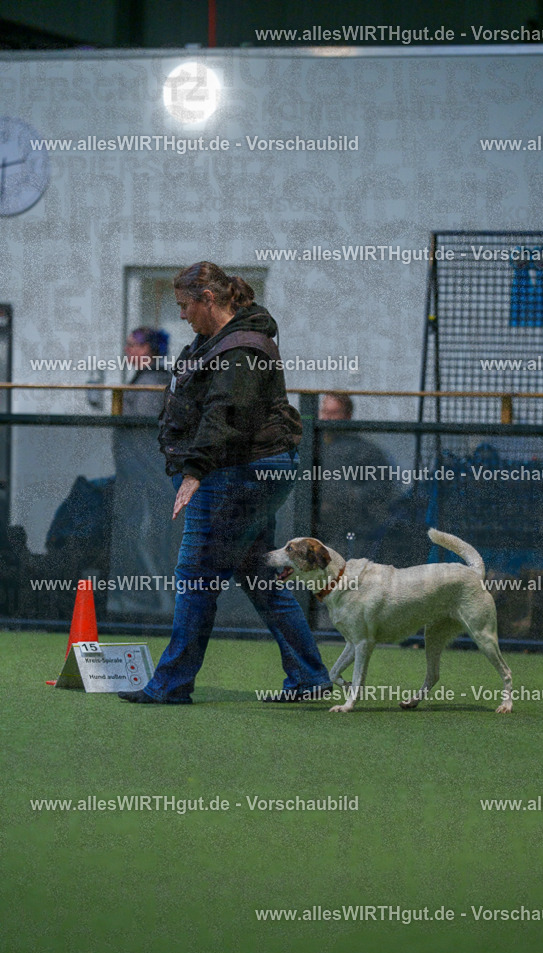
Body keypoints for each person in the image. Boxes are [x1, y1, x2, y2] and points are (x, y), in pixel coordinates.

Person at [119, 262, 330, 704]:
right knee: (258, 573)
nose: (181, 315)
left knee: (196, 574)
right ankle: (310, 679)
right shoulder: (221, 341)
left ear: (208, 300)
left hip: (238, 471)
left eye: (184, 305)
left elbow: (224, 412)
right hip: (255, 469)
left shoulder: (240, 349)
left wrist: (194, 472)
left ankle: (172, 684)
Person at [108, 328, 181, 619]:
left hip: (150, 481)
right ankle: (156, 599)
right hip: (141, 479)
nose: (128, 351)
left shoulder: (151, 383)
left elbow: (147, 440)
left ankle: (164, 601)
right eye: (127, 345)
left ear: (151, 349)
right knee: (143, 536)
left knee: (149, 537)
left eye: (134, 345)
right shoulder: (147, 380)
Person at [317, 392, 403, 560]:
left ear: (347, 416)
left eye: (333, 413)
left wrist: (350, 497)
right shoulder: (313, 447)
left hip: (354, 532)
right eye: (325, 412)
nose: (327, 418)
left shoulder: (366, 451)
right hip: (319, 529)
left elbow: (382, 486)